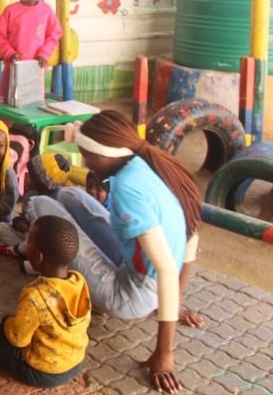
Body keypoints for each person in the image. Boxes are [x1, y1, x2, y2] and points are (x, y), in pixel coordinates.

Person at [31, 110, 204, 393]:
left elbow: (167, 269)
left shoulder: (127, 188)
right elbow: (191, 237)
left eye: (87, 154)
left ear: (105, 152)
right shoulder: (148, 163)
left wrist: (164, 353)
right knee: (69, 194)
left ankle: (46, 259)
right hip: (140, 272)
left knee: (41, 203)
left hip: (129, 294)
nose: (85, 162)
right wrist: (172, 301)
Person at [0, 215, 91, 388]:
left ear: (38, 257)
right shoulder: (79, 281)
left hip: (43, 373)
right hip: (75, 363)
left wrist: (7, 322)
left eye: (29, 243)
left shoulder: (35, 295)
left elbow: (18, 339)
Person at [0, 0, 62, 105]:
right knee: (8, 101)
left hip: (35, 66)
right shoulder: (10, 10)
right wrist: (9, 53)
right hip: (13, 65)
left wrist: (44, 54)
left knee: (33, 102)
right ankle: (5, 126)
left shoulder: (46, 11)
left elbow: (54, 34)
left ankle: (31, 126)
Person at [0, 153, 73, 259]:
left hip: (47, 242)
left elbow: (52, 235)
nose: (25, 176)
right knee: (0, 228)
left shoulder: (55, 202)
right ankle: (32, 255)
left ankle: (16, 251)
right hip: (30, 237)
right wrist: (19, 222)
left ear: (40, 182)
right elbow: (24, 215)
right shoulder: (31, 194)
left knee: (38, 242)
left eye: (30, 175)